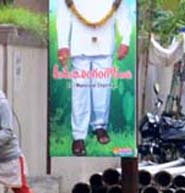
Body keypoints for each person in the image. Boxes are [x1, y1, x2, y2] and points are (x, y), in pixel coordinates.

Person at [56, 0, 132, 156]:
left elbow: (122, 12)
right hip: (79, 44)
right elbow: (63, 15)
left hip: (105, 43)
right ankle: (79, 136)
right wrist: (63, 44)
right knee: (80, 91)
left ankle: (100, 127)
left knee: (102, 89)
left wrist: (125, 40)